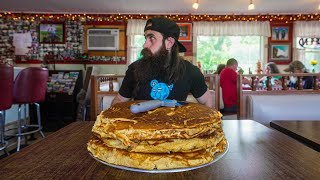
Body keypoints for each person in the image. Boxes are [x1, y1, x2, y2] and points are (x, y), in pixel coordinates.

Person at [111, 17, 213, 108]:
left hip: (177, 127)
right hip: (141, 127)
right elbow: (119, 100)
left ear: (169, 43)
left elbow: (206, 100)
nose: (145, 45)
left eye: (151, 38)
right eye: (146, 38)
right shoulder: (134, 69)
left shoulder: (191, 71)